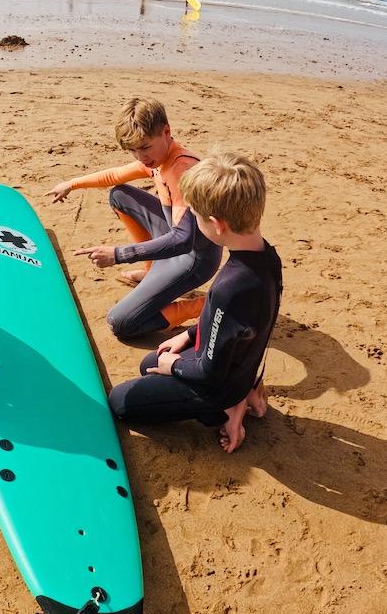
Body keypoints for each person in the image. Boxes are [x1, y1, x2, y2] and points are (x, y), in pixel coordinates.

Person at [108, 151, 282, 453]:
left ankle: (225, 409)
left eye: (195, 217)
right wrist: (187, 335)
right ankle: (245, 393)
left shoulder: (231, 289)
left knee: (120, 402)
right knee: (150, 363)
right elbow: (251, 332)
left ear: (216, 224)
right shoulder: (267, 257)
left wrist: (175, 366)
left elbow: (209, 373)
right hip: (235, 368)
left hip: (216, 386)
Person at [46, 98, 222, 339]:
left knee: (120, 323)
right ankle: (151, 271)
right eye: (133, 150)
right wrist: (72, 184)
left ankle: (200, 306)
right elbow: (115, 175)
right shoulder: (158, 159)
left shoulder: (181, 170)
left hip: (193, 258)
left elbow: (183, 240)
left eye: (145, 147)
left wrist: (119, 254)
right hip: (174, 234)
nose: (140, 157)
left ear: (166, 131)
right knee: (119, 195)